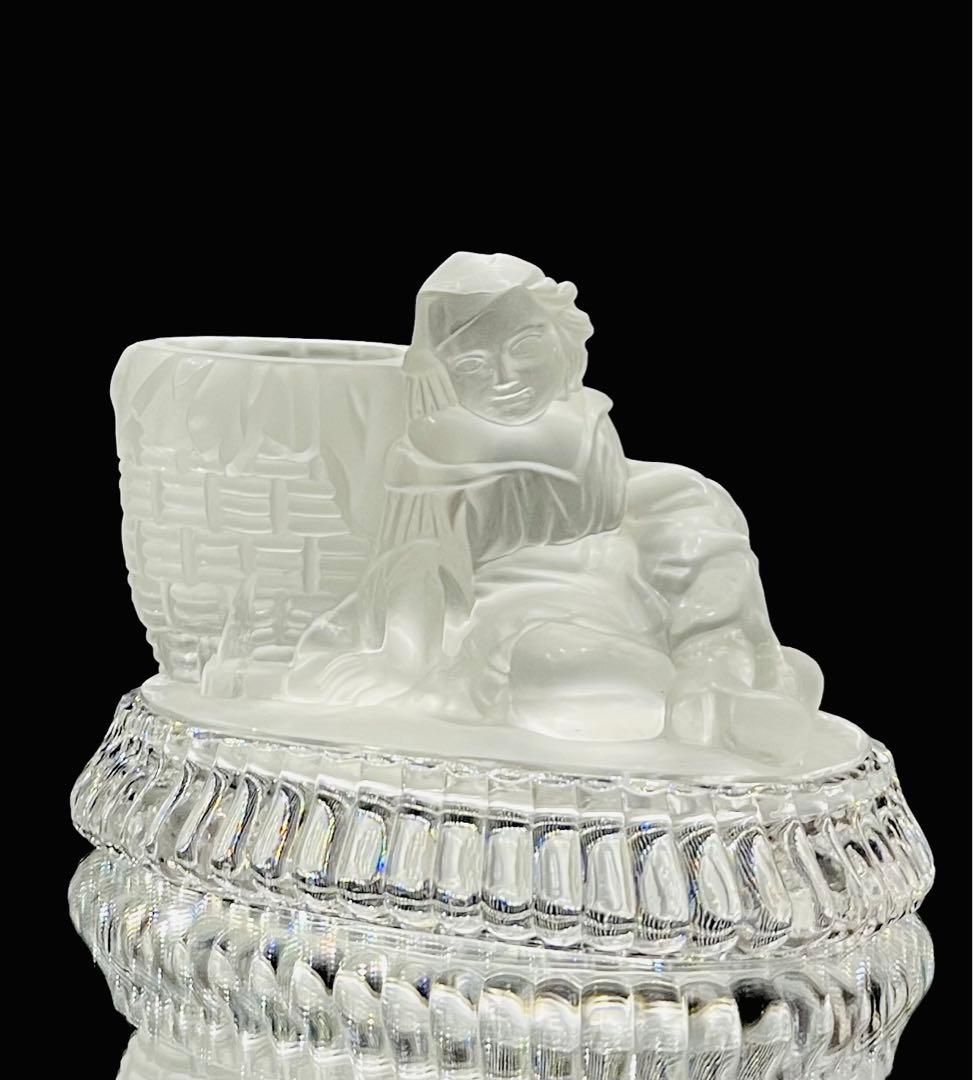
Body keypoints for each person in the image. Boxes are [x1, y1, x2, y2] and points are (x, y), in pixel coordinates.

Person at [286, 253, 821, 762]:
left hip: (628, 596)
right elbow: (413, 562)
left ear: (563, 338)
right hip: (523, 608)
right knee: (553, 664)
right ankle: (702, 705)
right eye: (472, 363)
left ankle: (719, 670)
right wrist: (402, 657)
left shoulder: (596, 436)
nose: (505, 379)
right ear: (440, 375)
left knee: (696, 512)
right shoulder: (432, 454)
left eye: (525, 346)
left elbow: (682, 530)